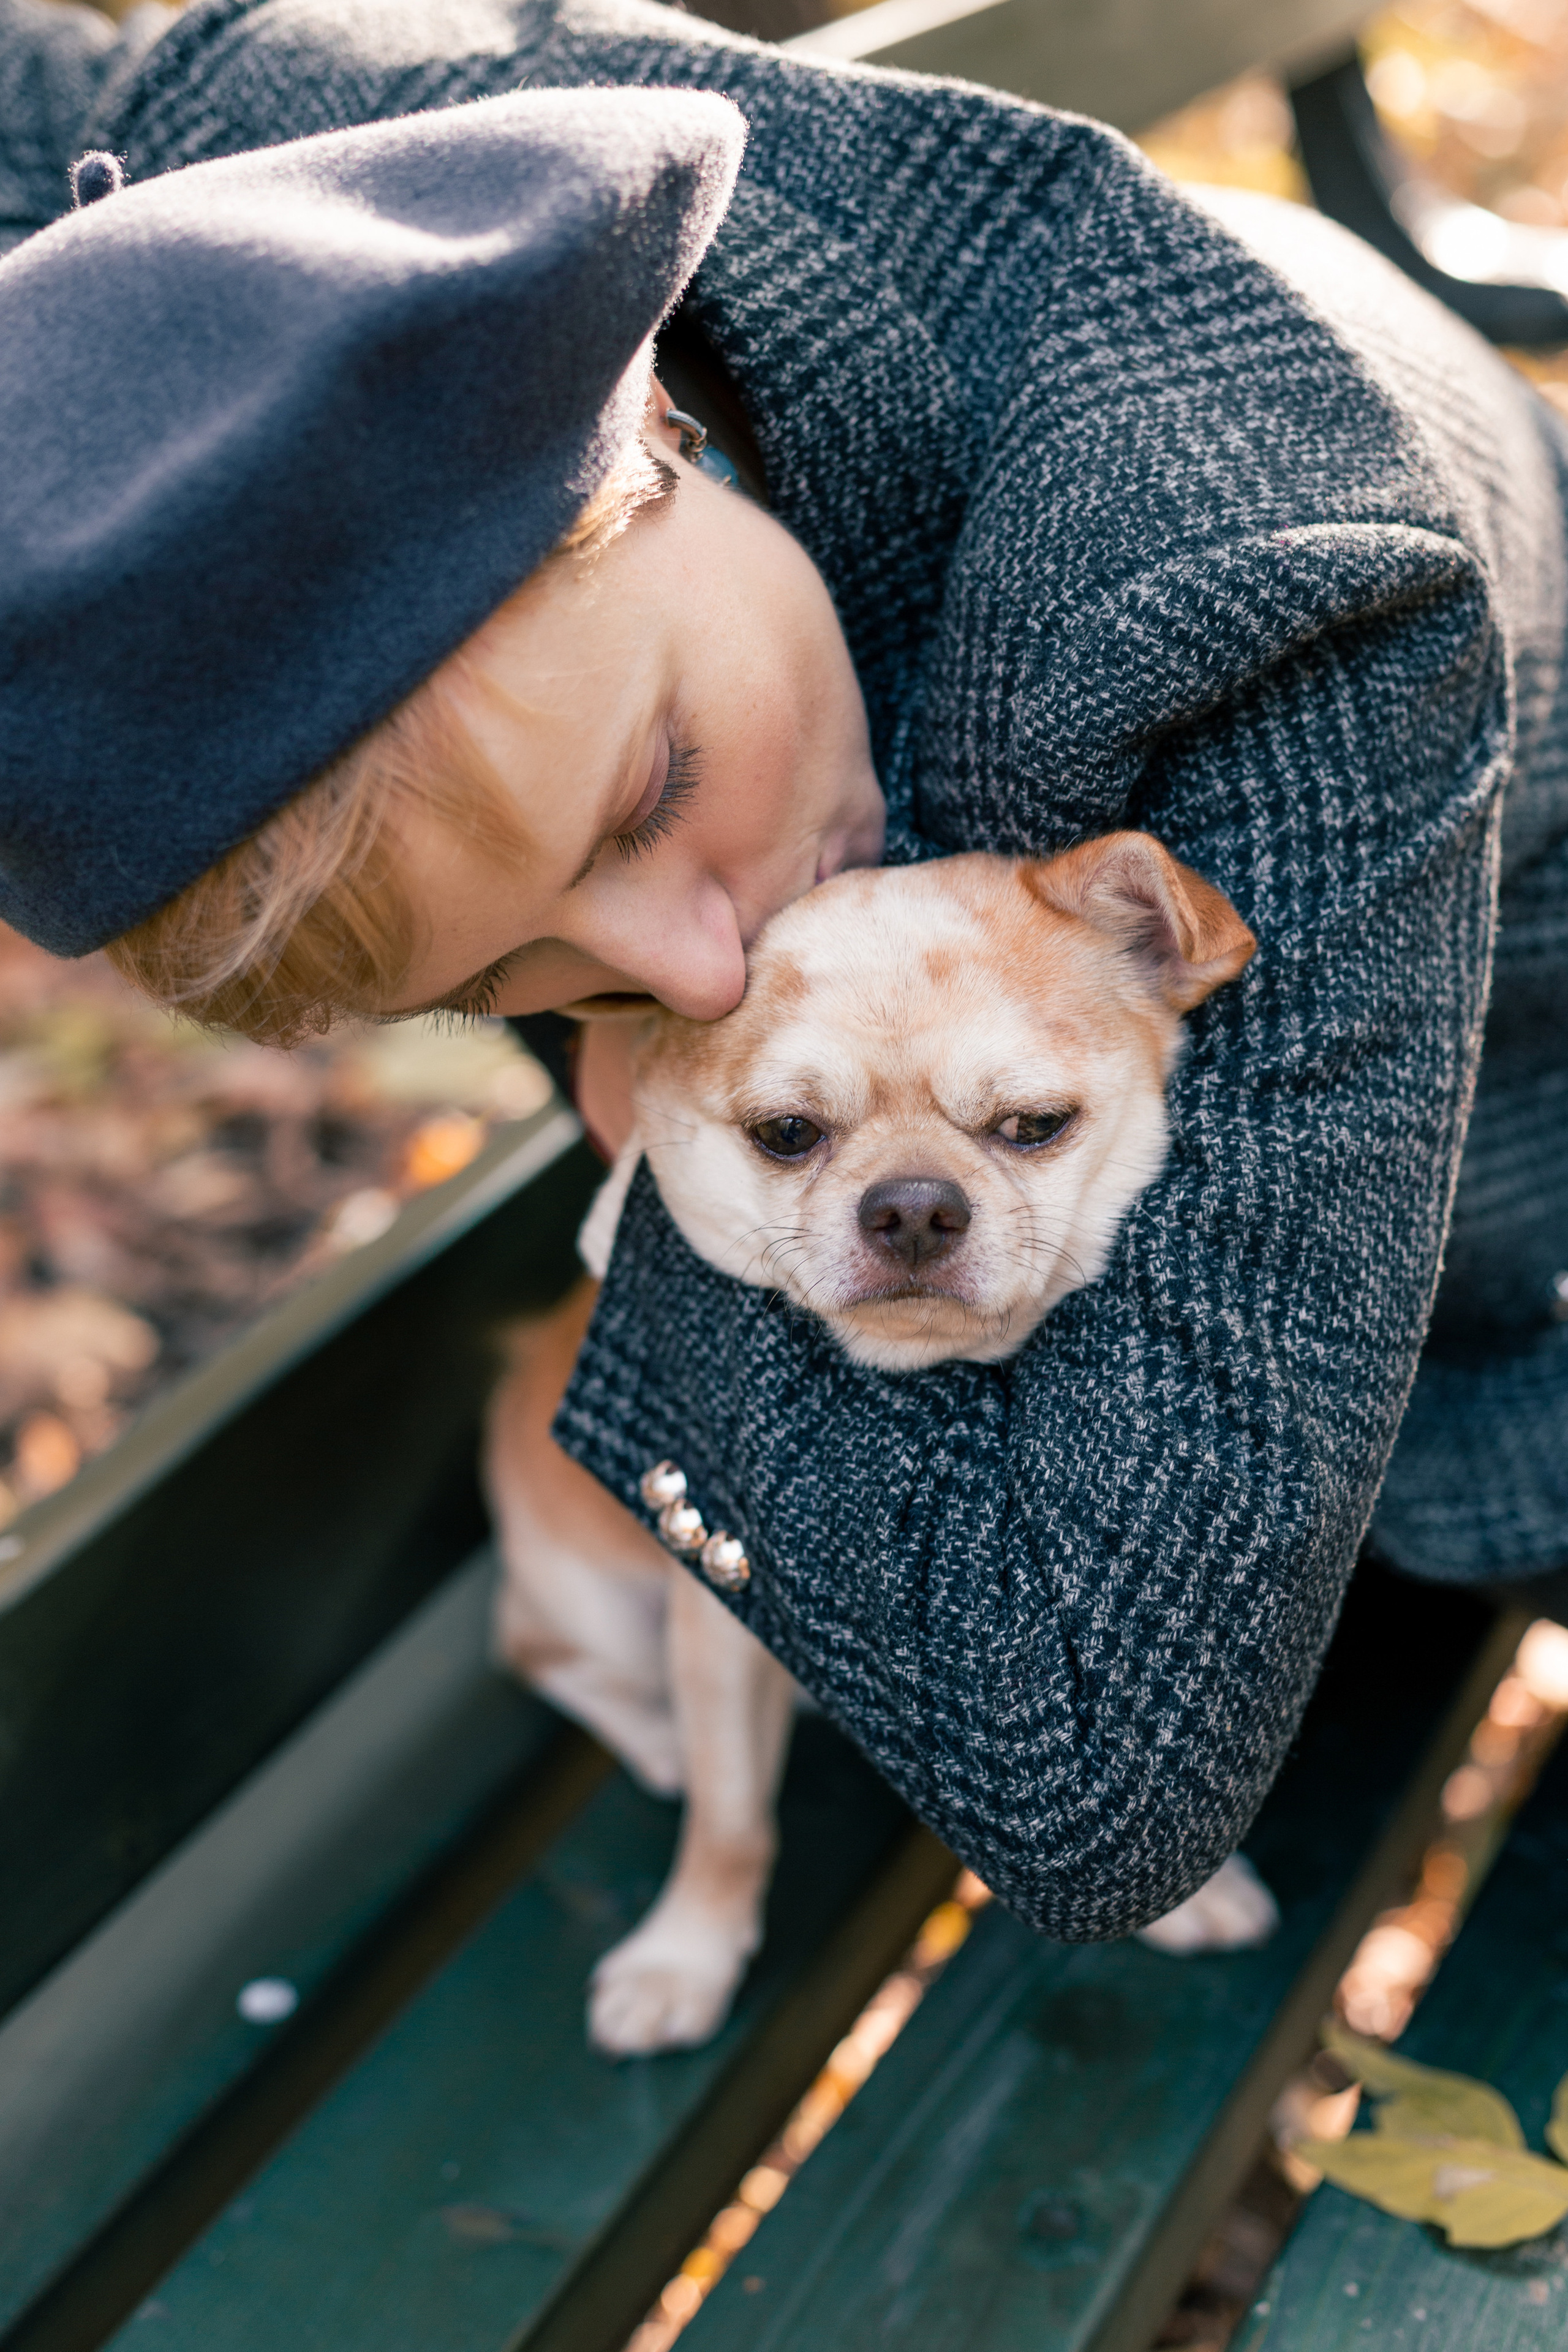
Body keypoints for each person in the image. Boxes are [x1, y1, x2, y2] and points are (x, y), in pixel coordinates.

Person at [2, 0, 1565, 1941]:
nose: (691, 961)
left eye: (652, 786)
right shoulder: (280, 252)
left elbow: (1093, 1777)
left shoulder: (1262, 584)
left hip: (1498, 1197)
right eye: (521, 969)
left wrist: (676, 1147)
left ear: (654, 414)